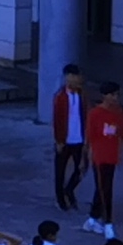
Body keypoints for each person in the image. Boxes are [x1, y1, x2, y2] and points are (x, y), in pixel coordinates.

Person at [85, 86, 123, 223]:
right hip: (99, 156)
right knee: (104, 188)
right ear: (105, 96)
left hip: (112, 155)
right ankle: (105, 219)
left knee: (105, 187)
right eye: (112, 95)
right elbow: (90, 135)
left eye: (117, 95)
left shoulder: (119, 113)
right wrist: (89, 153)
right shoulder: (95, 113)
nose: (115, 98)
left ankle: (94, 218)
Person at [49, 64, 90, 208]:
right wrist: (59, 140)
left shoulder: (82, 95)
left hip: (79, 139)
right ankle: (60, 199)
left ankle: (69, 189)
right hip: (65, 140)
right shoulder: (60, 97)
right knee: (60, 171)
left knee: (82, 168)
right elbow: (57, 120)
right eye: (73, 77)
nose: (76, 79)